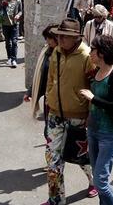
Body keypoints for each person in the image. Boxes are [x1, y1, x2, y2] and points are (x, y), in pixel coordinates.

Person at [43, 19, 97, 204]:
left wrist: (90, 113)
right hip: (55, 115)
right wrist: (50, 97)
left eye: (65, 36)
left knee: (81, 157)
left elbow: (94, 87)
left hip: (78, 117)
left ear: (75, 38)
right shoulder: (56, 52)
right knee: (52, 160)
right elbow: (50, 78)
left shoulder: (87, 56)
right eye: (59, 35)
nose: (60, 38)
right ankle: (56, 200)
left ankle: (94, 182)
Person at [78, 35, 113, 205]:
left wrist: (93, 99)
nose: (90, 52)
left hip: (110, 134)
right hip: (93, 131)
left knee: (100, 182)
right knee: (99, 177)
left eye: (93, 49)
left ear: (102, 53)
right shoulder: (96, 72)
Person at [25, 25, 59, 139]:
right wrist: (30, 92)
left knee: (55, 133)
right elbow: (40, 74)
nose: (47, 41)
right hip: (48, 98)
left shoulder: (63, 55)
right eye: (46, 38)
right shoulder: (46, 51)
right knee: (48, 131)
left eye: (50, 38)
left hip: (60, 101)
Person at [0, 0, 23, 68]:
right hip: (5, 24)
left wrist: (18, 15)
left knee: (14, 42)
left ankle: (14, 59)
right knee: (7, 42)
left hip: (15, 24)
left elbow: (21, 11)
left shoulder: (18, 0)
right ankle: (9, 58)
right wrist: (2, 5)